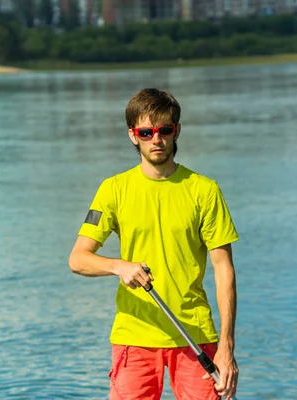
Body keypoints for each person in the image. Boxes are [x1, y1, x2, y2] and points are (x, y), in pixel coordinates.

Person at [68, 88, 239, 400]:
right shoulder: (113, 190)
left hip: (195, 336)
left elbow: (224, 270)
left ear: (177, 131)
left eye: (164, 130)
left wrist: (226, 347)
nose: (156, 139)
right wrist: (118, 267)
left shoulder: (204, 191)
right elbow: (78, 259)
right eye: (146, 132)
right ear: (134, 136)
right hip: (134, 336)